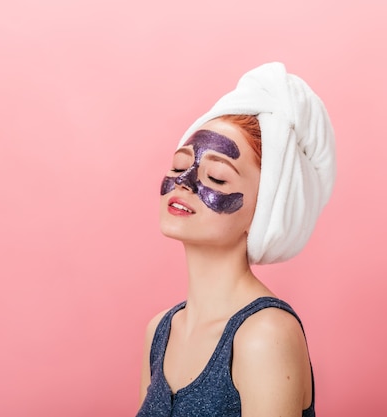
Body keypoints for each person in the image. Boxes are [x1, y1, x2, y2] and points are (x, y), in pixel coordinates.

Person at [136, 62, 336, 417]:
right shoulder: (159, 332)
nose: (185, 181)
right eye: (180, 164)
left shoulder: (264, 336)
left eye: (217, 176)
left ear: (265, 209)